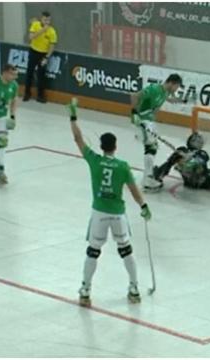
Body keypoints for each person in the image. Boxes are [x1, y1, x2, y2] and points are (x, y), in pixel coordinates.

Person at [67, 98, 152, 307]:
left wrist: (73, 116)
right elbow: (133, 190)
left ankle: (85, 290)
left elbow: (78, 139)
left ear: (102, 146)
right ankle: (134, 287)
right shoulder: (123, 166)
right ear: (115, 146)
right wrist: (144, 206)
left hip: (99, 212)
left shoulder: (94, 160)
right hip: (117, 213)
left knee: (93, 251)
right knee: (126, 249)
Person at [153, 132, 210, 200]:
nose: (201, 143)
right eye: (200, 141)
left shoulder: (201, 153)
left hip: (199, 179)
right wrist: (182, 161)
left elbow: (200, 162)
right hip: (198, 180)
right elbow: (170, 163)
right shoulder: (182, 151)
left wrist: (189, 159)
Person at [130, 74, 183, 191]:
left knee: (152, 147)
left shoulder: (166, 92)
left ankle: (148, 176)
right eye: (176, 87)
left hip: (150, 121)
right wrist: (134, 114)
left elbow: (167, 97)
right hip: (142, 120)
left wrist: (175, 99)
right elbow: (134, 96)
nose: (176, 90)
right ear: (171, 83)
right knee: (151, 147)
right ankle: (148, 180)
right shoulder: (154, 89)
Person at [23, 11, 57, 103]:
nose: (47, 22)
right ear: (41, 19)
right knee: (29, 72)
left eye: (48, 20)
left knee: (41, 75)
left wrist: (46, 57)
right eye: (45, 20)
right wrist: (42, 30)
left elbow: (52, 46)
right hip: (33, 51)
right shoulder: (35, 25)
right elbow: (31, 37)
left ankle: (40, 95)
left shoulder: (52, 31)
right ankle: (27, 93)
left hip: (43, 54)